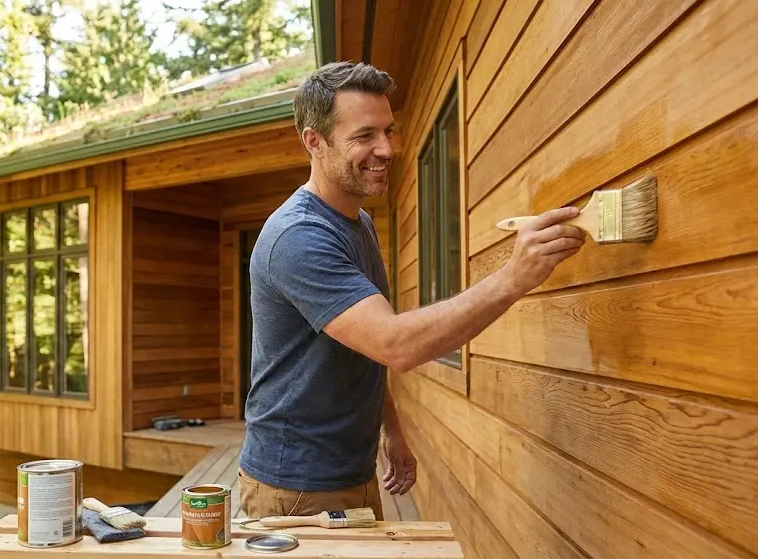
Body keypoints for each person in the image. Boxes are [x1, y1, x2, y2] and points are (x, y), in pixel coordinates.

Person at [236, 61, 585, 521]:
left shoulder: (357, 222)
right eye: (365, 136)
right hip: (296, 488)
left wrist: (392, 430)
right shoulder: (298, 237)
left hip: (350, 471)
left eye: (388, 131)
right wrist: (514, 276)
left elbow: (363, 346)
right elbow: (394, 343)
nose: (386, 149)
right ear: (314, 142)